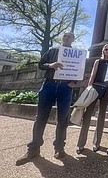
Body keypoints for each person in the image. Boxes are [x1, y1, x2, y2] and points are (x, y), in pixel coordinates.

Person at [16, 31, 78, 166]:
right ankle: (33, 149)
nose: (66, 38)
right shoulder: (52, 50)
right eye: (64, 36)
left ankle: (59, 148)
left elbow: (79, 72)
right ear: (62, 38)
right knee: (40, 117)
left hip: (65, 88)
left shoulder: (77, 55)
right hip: (49, 85)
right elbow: (40, 64)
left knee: (63, 119)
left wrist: (75, 82)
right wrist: (51, 65)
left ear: (73, 39)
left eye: (69, 37)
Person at [76, 44, 108, 154]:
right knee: (87, 115)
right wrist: (89, 88)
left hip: (107, 89)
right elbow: (93, 75)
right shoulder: (98, 61)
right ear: (103, 51)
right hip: (95, 88)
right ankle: (81, 144)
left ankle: (96, 143)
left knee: (102, 115)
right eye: (106, 49)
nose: (107, 51)